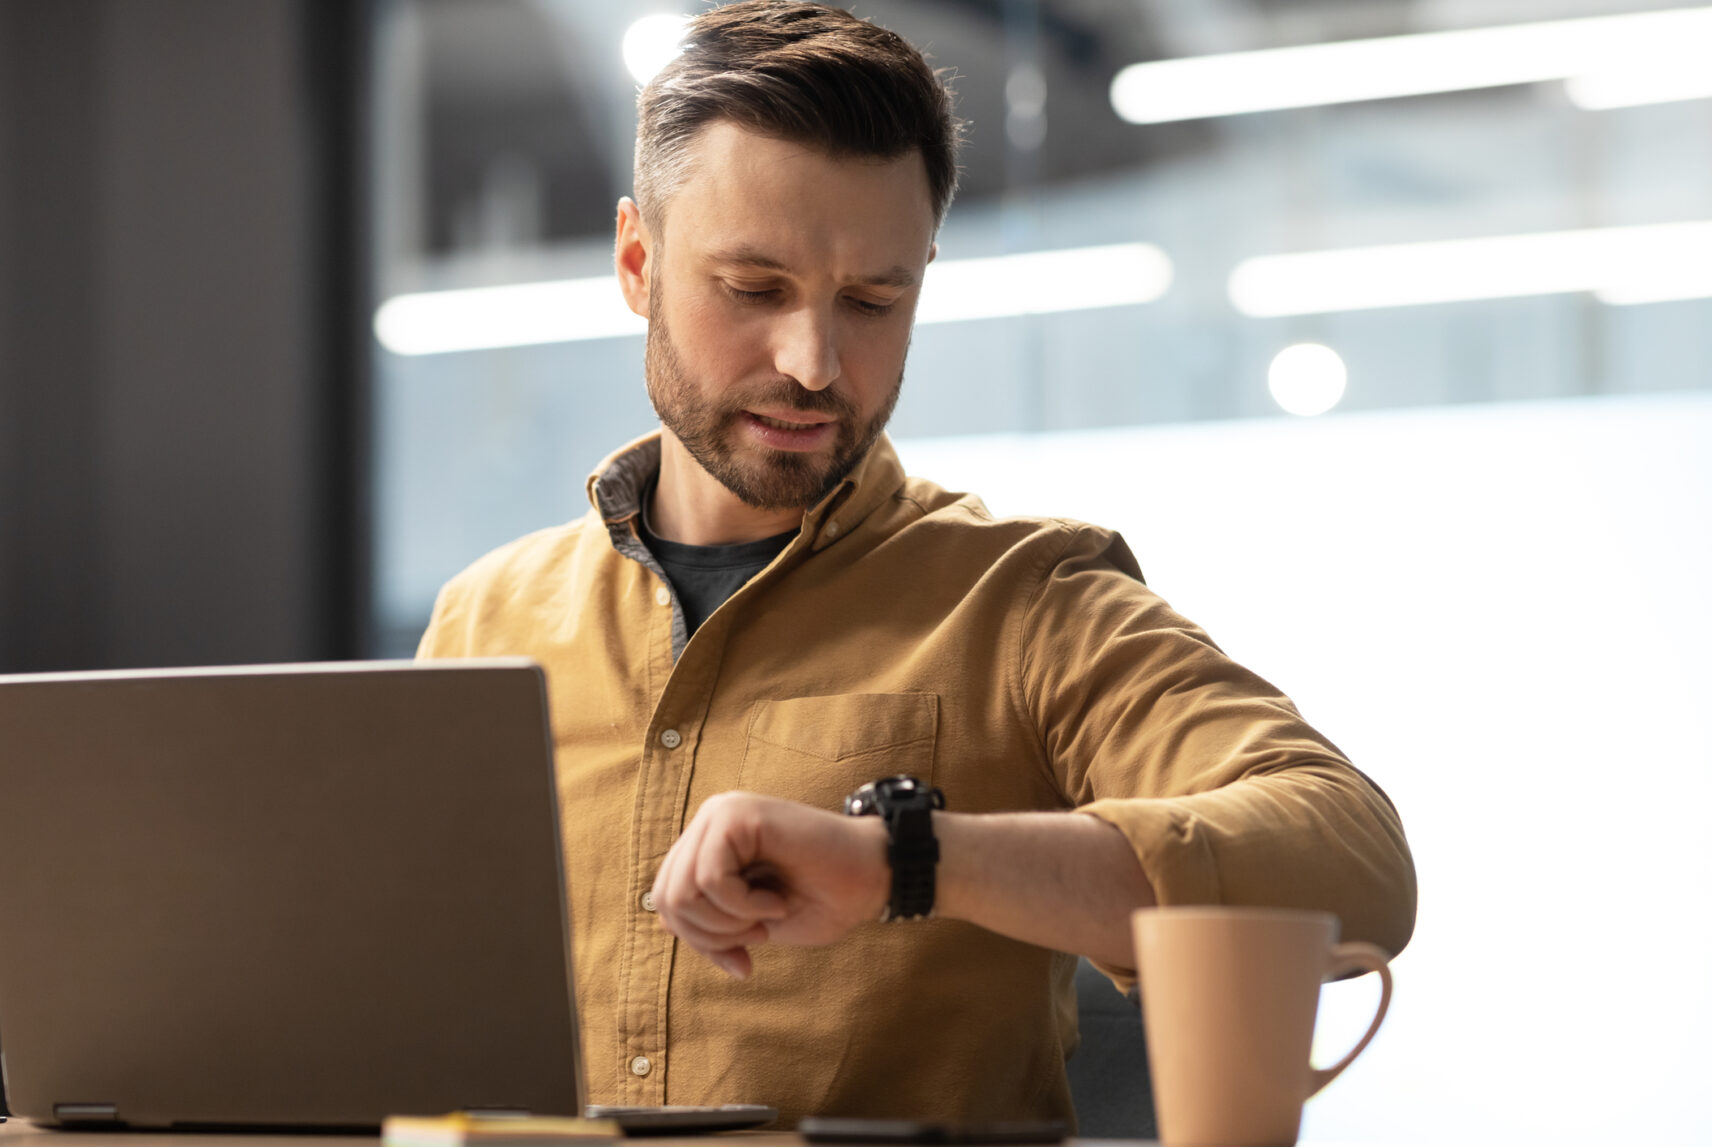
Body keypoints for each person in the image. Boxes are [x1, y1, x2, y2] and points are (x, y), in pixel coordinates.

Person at [417, 0, 1416, 1129]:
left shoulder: (1027, 602)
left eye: (873, 301)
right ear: (638, 262)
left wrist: (910, 857)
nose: (812, 362)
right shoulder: (485, 618)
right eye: (753, 290)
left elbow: (1353, 861)